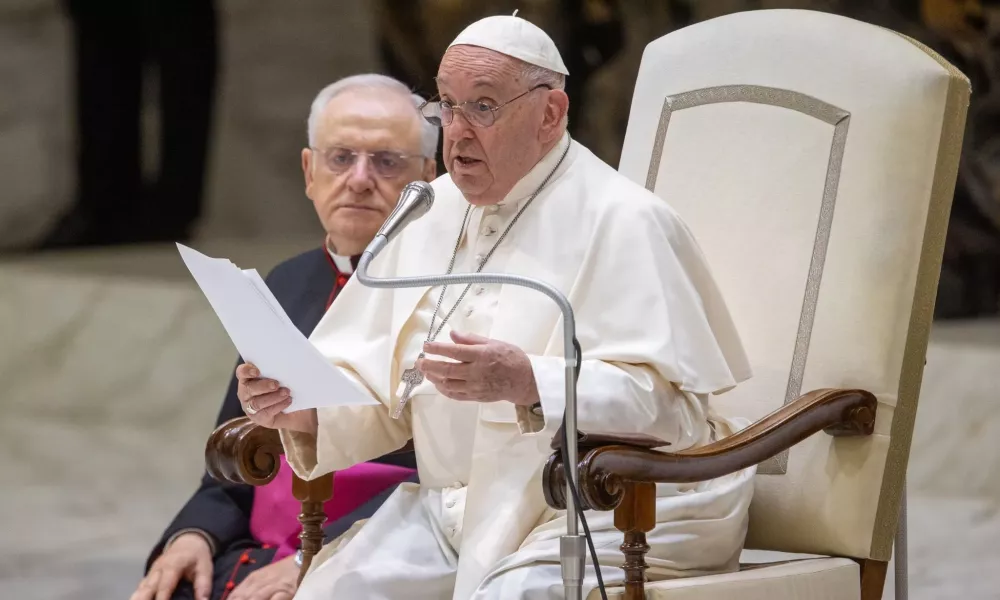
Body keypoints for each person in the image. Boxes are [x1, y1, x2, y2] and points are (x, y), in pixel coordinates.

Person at [238, 15, 756, 600]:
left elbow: (674, 415)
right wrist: (303, 411)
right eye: (448, 106)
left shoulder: (626, 221)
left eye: (483, 107)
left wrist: (530, 380)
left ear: (550, 115)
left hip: (600, 507)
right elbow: (389, 388)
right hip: (457, 506)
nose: (456, 132)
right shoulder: (430, 210)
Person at [131, 74, 438, 600]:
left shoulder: (447, 294)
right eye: (340, 157)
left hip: (375, 554)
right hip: (263, 549)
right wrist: (194, 532)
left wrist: (317, 559)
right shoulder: (287, 281)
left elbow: (441, 478)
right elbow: (235, 451)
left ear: (430, 181)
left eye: (387, 162)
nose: (360, 179)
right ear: (308, 171)